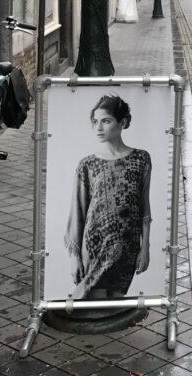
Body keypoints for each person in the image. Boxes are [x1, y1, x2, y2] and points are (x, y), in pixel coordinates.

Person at [65, 95, 152, 300]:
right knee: (93, 304)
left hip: (128, 247)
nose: (99, 127)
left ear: (122, 123)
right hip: (95, 247)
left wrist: (145, 248)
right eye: (95, 122)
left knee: (114, 308)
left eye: (106, 121)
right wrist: (74, 256)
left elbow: (144, 209)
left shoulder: (141, 159)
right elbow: (77, 212)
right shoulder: (87, 165)